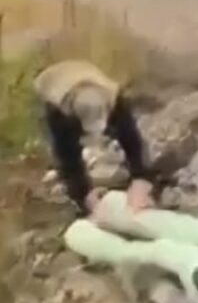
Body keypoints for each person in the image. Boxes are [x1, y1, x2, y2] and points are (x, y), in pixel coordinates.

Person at [34, 59, 156, 216]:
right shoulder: (58, 113)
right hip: (54, 80)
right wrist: (85, 196)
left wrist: (141, 180)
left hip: (88, 75)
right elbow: (68, 159)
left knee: (123, 133)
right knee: (66, 150)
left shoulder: (114, 100)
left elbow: (133, 141)